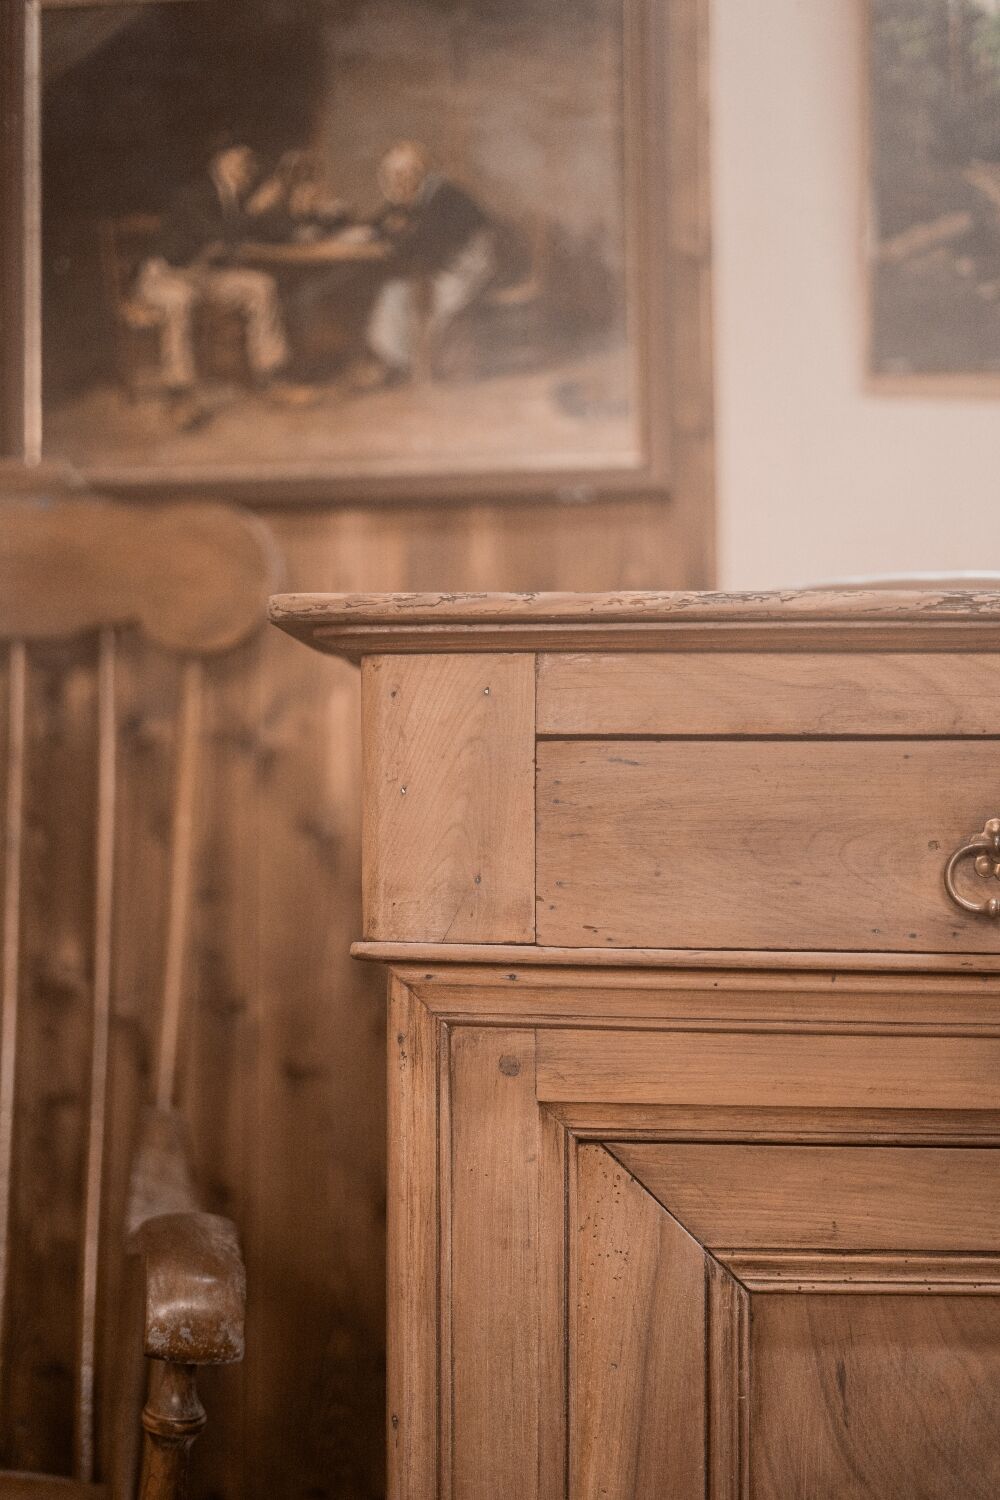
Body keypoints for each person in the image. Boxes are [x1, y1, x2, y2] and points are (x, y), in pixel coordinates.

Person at [134, 142, 295, 418]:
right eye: (238, 161)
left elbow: (268, 233)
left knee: (261, 286)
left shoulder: (238, 198)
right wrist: (256, 211)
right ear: (218, 163)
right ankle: (180, 394)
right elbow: (216, 234)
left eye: (249, 162)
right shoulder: (195, 194)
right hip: (164, 276)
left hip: (203, 276)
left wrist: (279, 206)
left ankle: (271, 376)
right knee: (180, 301)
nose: (247, 168)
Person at [359, 141, 496, 386]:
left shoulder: (442, 195)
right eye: (391, 177)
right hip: (444, 265)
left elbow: (424, 242)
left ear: (418, 173)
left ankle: (420, 366)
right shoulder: (412, 195)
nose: (396, 182)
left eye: (402, 175)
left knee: (425, 298)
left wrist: (392, 239)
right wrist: (370, 231)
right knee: (393, 293)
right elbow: (383, 222)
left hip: (470, 267)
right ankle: (396, 362)